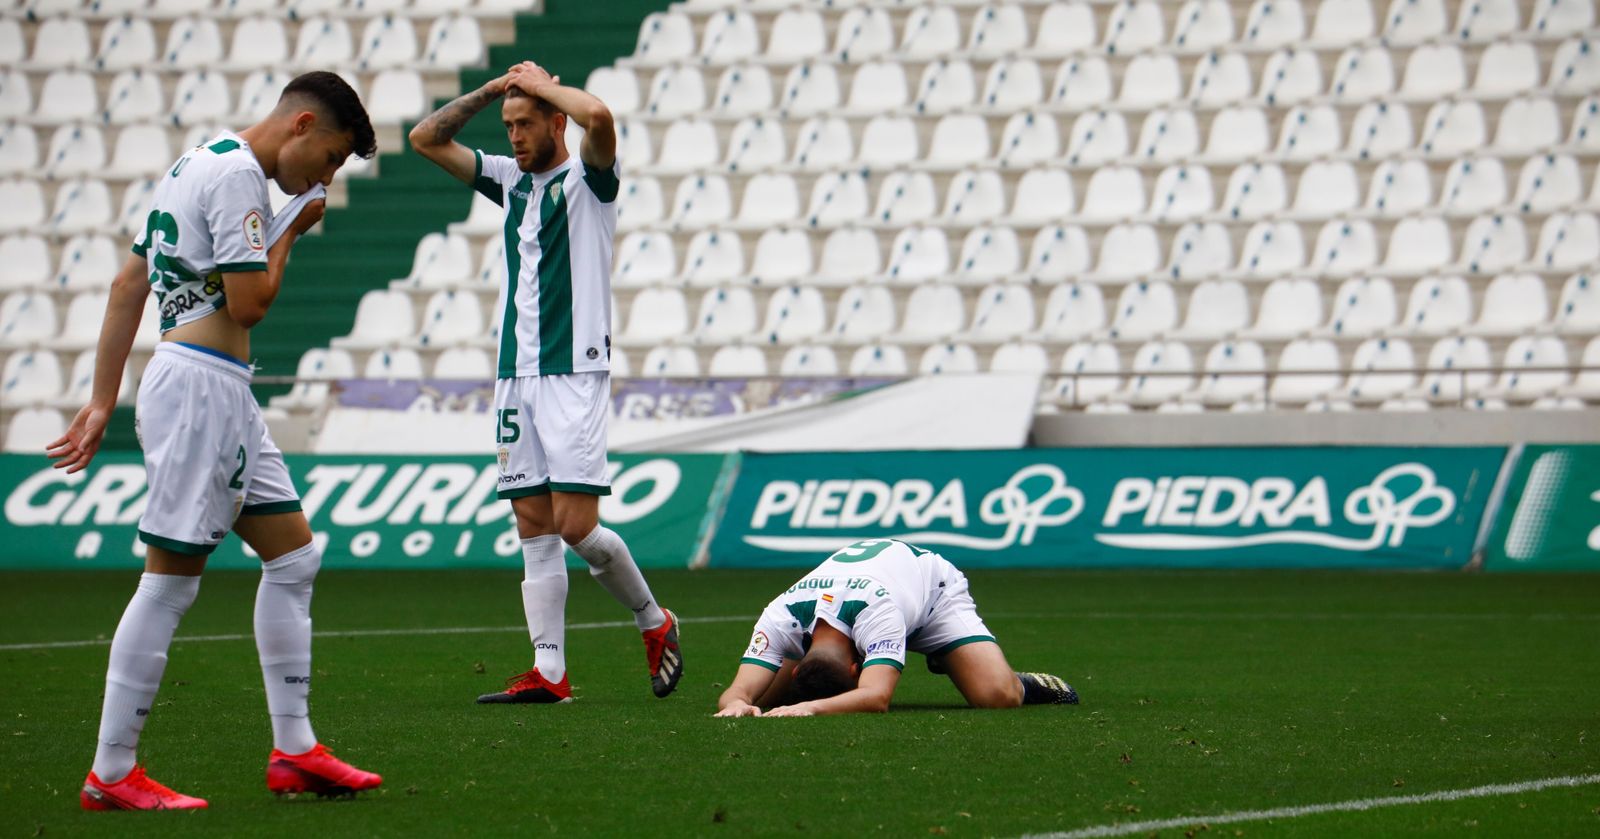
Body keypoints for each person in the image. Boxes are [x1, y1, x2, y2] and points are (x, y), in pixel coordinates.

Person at [47, 72, 382, 810]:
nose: (324, 175)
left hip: (216, 388)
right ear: (302, 124)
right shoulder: (239, 177)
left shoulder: (194, 162)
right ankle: (111, 769)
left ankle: (295, 750)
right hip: (200, 388)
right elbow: (251, 302)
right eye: (328, 158)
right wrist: (292, 223)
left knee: (294, 555)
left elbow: (128, 283)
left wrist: (103, 401)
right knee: (170, 580)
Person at [408, 62, 682, 705]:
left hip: (574, 371)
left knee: (576, 527)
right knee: (532, 522)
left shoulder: (590, 181)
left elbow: (601, 119)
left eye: (526, 124)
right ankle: (549, 671)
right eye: (508, 127)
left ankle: (654, 619)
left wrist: (542, 84)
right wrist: (491, 92)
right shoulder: (510, 183)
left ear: (555, 120)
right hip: (514, 374)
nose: (514, 138)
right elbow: (425, 138)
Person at [715, 538, 1078, 717]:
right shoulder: (780, 616)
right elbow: (737, 693)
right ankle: (955, 658)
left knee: (997, 697)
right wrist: (737, 705)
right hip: (877, 594)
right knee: (765, 701)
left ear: (858, 668)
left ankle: (989, 668)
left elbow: (876, 697)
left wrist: (812, 708)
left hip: (933, 595)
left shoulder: (878, 614)